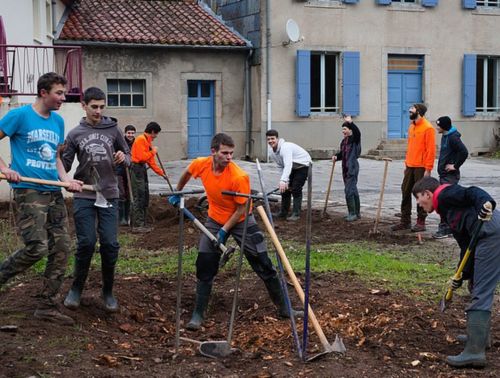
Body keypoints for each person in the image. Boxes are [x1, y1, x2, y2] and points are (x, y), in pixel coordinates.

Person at [169, 133, 301, 330]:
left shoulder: (239, 176)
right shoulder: (201, 164)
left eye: (231, 153)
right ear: (213, 152)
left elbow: (241, 208)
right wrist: (177, 192)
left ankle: (284, 308)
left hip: (242, 220)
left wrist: (224, 230)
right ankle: (198, 314)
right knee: (205, 262)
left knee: (262, 262)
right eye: (225, 153)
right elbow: (187, 173)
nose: (229, 157)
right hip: (214, 217)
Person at [0, 72, 83, 325]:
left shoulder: (57, 122)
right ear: (43, 92)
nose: (63, 97)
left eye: (63, 92)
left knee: (61, 248)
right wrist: (5, 169)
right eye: (58, 93)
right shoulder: (20, 115)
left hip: (53, 190)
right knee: (37, 247)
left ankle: (47, 305)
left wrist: (65, 180)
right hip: (29, 190)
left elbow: (56, 158)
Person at [412, 176, 499, 368]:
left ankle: (475, 353)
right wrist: (460, 275)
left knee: (481, 290)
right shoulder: (447, 211)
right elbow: (465, 245)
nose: (419, 203)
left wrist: (486, 204)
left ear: (427, 193)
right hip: (484, 238)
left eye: (418, 198)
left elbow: (472, 192)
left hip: (490, 236)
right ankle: (481, 338)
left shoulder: (444, 194)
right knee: (474, 283)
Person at [62, 87, 130, 313]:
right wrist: (60, 167)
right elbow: (64, 164)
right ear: (84, 105)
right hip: (84, 193)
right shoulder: (74, 134)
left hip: (109, 192)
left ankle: (107, 291)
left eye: (102, 107)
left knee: (110, 244)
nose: (98, 111)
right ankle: (76, 289)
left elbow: (128, 156)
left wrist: (123, 157)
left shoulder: (113, 129)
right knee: (87, 243)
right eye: (94, 107)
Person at [391, 103, 435, 232]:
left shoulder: (428, 128)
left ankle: (421, 222)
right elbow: (410, 148)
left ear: (419, 112)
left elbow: (430, 151)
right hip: (410, 165)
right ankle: (405, 221)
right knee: (405, 191)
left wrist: (428, 169)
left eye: (412, 109)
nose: (409, 111)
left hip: (421, 167)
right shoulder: (412, 127)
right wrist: (406, 164)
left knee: (420, 194)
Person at [433, 116, 469, 239]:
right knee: (445, 200)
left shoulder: (453, 138)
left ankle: (445, 228)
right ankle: (449, 227)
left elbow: (464, 152)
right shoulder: (445, 135)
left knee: (444, 201)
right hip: (444, 175)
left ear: (443, 126)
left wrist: (455, 165)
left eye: (438, 125)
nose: (436, 127)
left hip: (450, 177)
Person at [266, 129, 312, 221]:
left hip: (303, 165)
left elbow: (288, 164)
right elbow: (280, 166)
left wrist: (284, 180)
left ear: (277, 139)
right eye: (268, 139)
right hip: (292, 167)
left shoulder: (285, 147)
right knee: (284, 189)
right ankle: (283, 212)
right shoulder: (272, 152)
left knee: (296, 188)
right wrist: (284, 181)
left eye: (272, 138)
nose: (270, 141)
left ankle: (296, 213)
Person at [130, 122, 167, 231]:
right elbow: (142, 157)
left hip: (141, 169)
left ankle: (143, 222)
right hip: (136, 168)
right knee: (139, 196)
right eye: (156, 134)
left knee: (145, 196)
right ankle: (137, 225)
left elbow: (151, 162)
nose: (156, 137)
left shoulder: (148, 141)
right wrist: (153, 152)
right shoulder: (141, 139)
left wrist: (162, 174)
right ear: (152, 132)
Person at [332, 115, 362, 222]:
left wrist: (351, 122)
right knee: (353, 189)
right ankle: (357, 213)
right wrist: (337, 156)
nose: (343, 131)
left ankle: (352, 213)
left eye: (345, 129)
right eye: (342, 130)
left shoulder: (355, 139)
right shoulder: (343, 142)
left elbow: (358, 132)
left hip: (352, 168)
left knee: (349, 190)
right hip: (345, 168)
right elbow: (342, 154)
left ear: (350, 130)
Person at [117, 124, 136, 225]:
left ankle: (128, 217)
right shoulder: (120, 142)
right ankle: (121, 218)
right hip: (120, 171)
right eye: (129, 133)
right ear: (125, 133)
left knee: (129, 194)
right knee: (121, 193)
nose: (130, 135)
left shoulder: (136, 143)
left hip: (131, 171)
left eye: (132, 133)